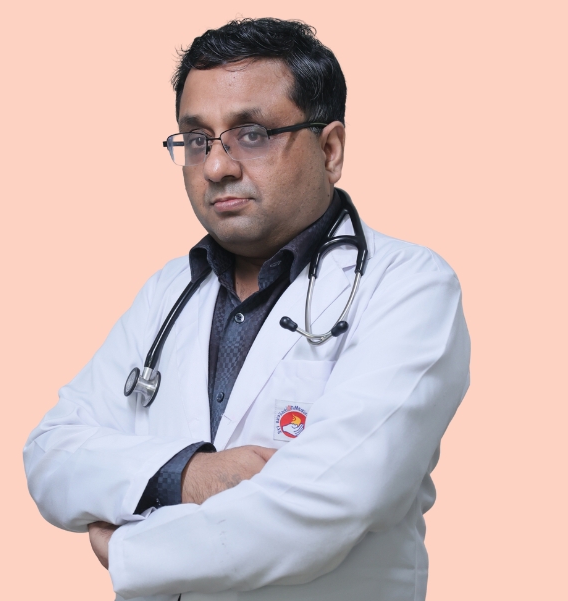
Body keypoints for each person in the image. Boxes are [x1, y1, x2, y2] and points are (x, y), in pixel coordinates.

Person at [24, 17, 470, 601]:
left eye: (252, 134)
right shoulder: (168, 291)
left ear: (330, 149)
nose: (216, 167)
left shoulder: (407, 286)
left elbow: (328, 504)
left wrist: (129, 548)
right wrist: (187, 475)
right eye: (197, 140)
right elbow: (52, 454)